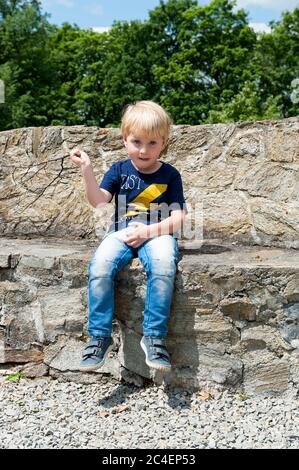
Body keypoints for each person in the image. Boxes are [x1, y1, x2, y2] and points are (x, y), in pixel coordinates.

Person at [70, 100, 186, 373]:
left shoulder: (170, 175)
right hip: (122, 231)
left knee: (163, 266)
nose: (144, 150)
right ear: (124, 140)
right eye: (136, 141)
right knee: (99, 266)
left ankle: (154, 337)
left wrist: (148, 231)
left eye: (152, 143)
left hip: (157, 233)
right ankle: (99, 336)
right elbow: (99, 201)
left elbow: (179, 218)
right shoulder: (119, 171)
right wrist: (87, 170)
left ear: (164, 142)